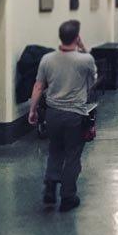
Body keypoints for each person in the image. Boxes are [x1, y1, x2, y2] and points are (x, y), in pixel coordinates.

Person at [28, 20, 97, 212]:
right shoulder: (85, 60)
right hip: (75, 114)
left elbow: (38, 86)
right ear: (77, 37)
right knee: (73, 155)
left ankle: (50, 187)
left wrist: (33, 110)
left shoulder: (47, 59)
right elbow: (92, 81)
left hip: (53, 114)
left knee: (55, 150)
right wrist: (83, 48)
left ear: (60, 36)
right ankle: (68, 197)